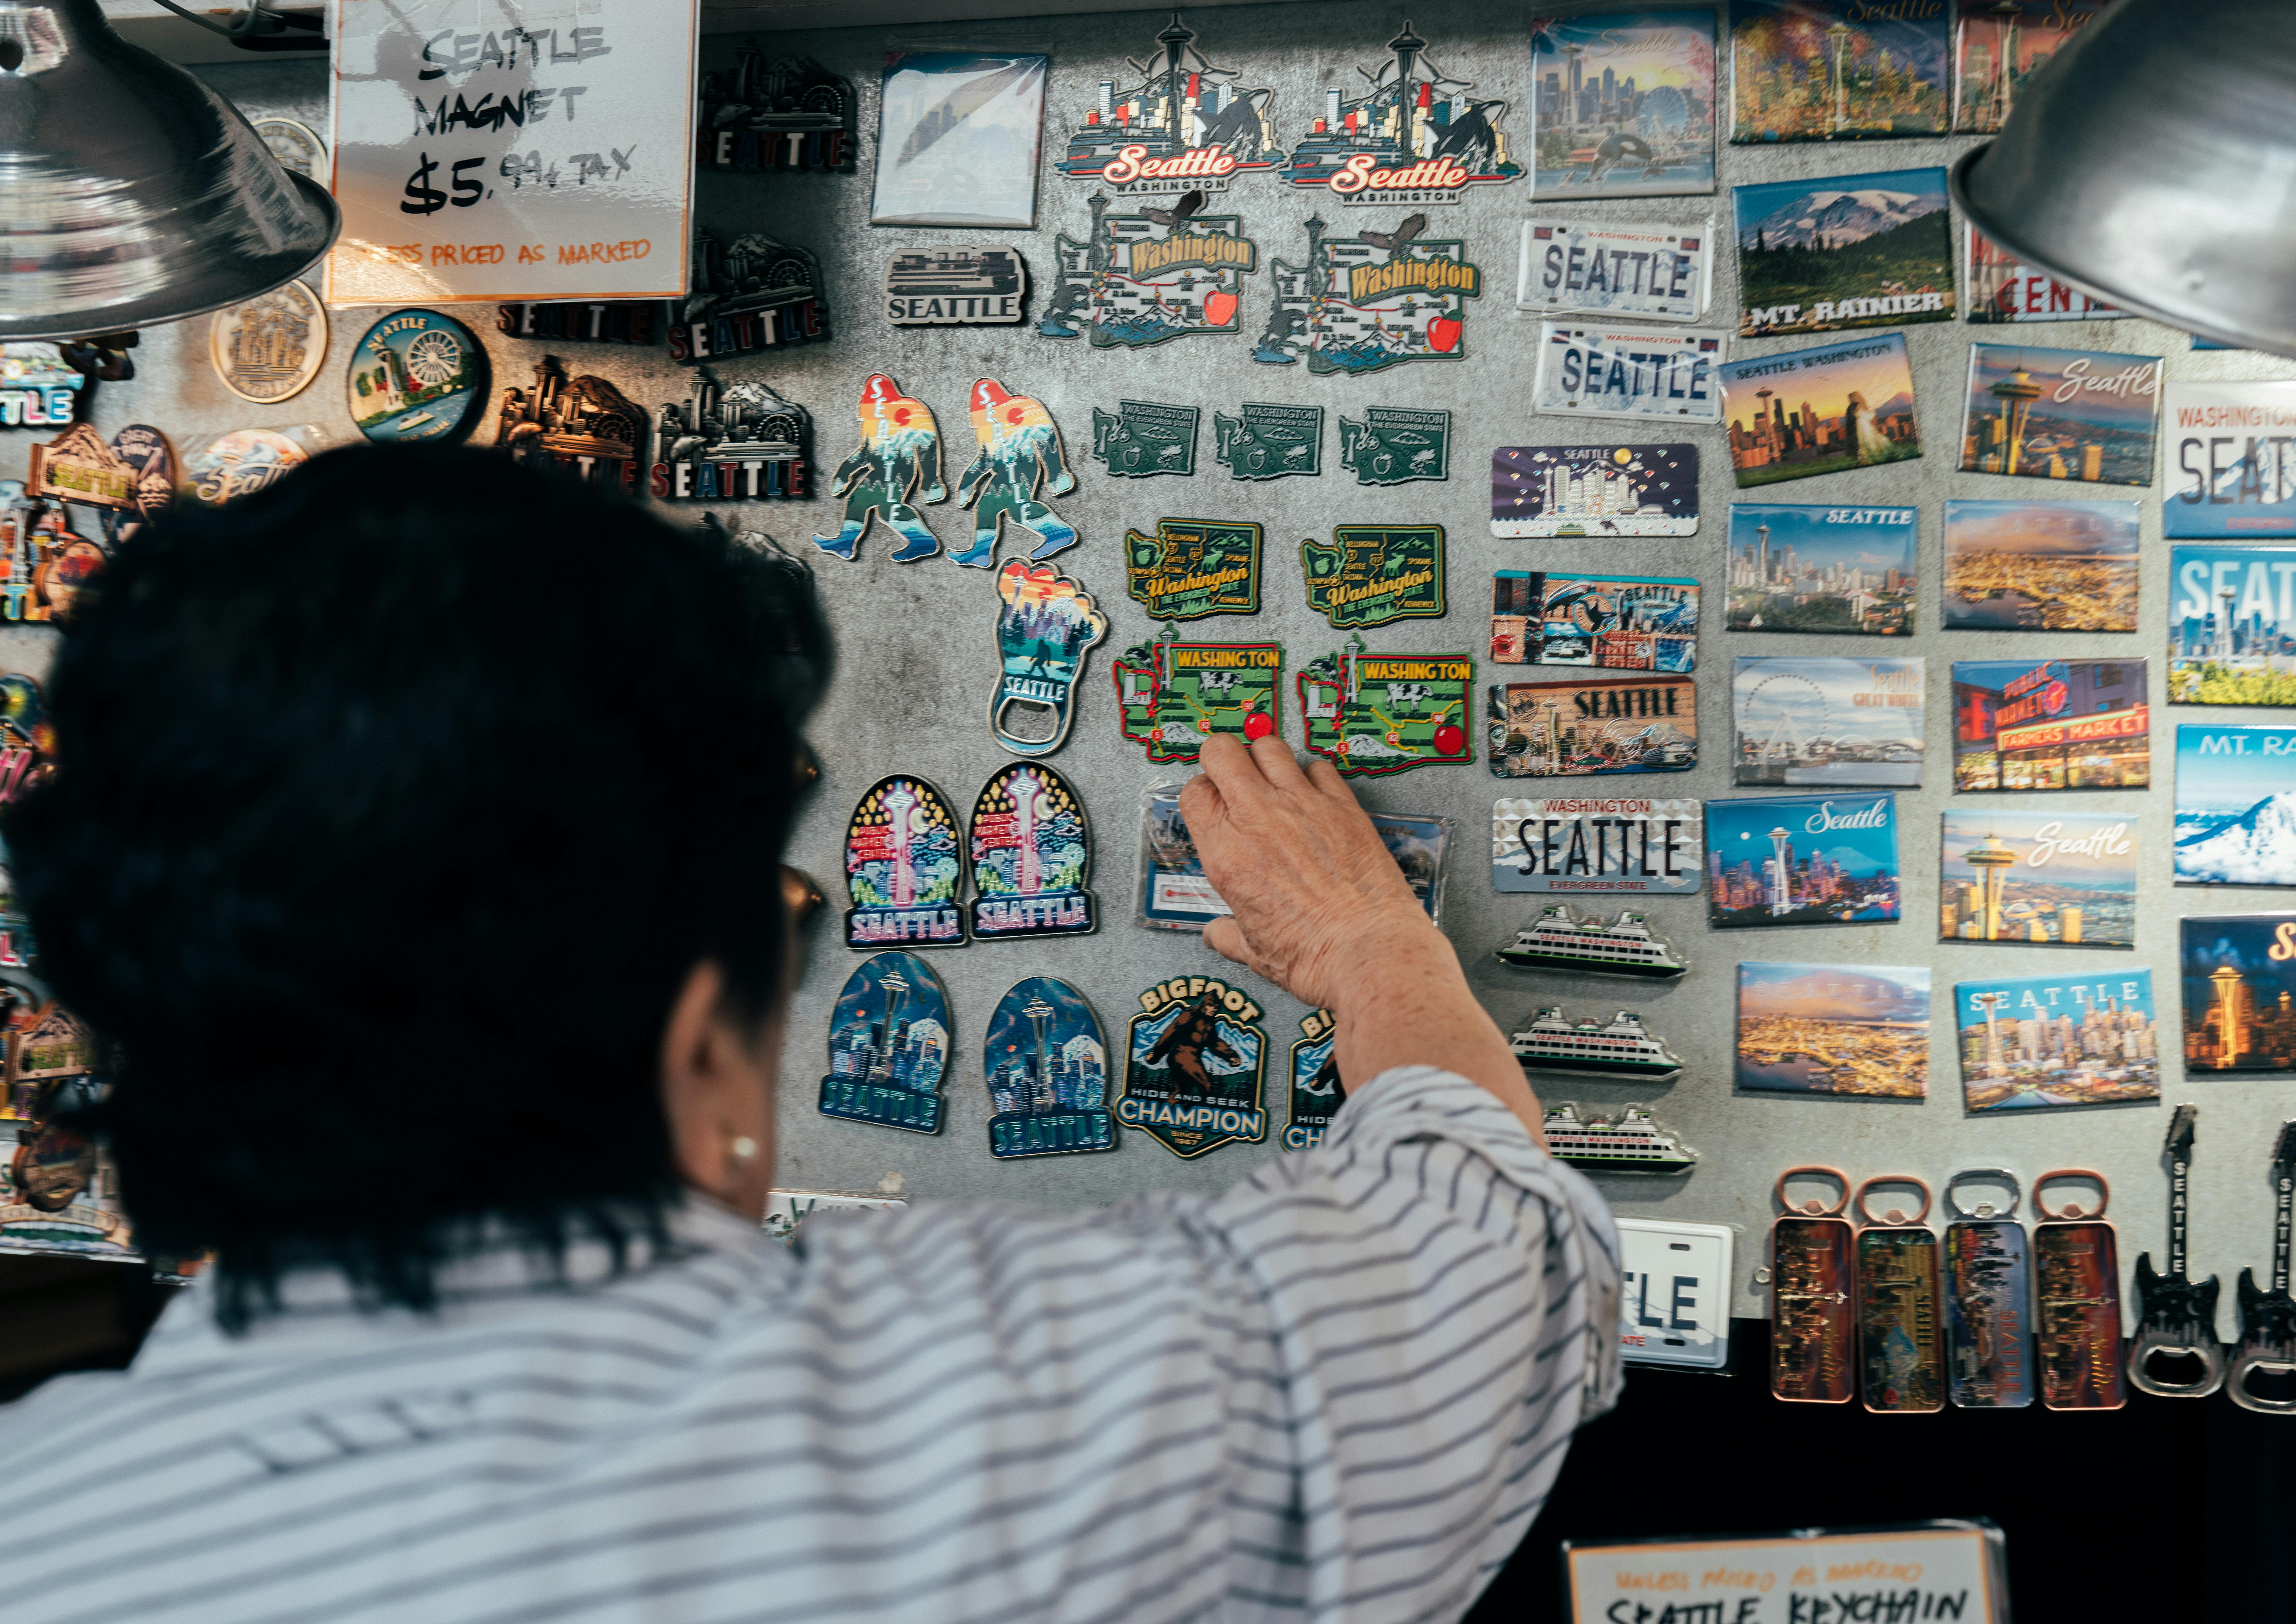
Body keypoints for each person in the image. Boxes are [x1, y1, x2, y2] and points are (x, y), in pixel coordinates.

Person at [0, 445, 1618, 1623]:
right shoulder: (1059, 1421)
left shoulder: (41, 1534)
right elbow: (1497, 1241)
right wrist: (1361, 941)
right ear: (708, 1046)